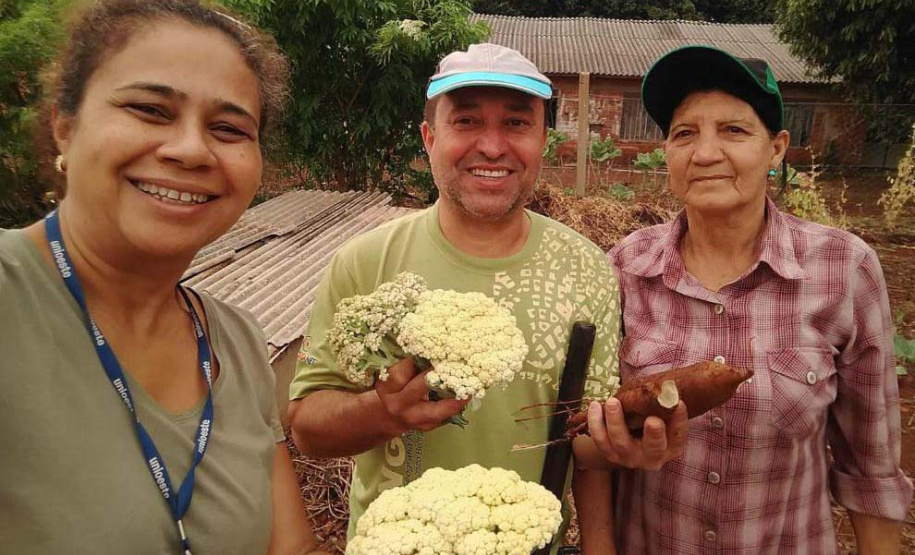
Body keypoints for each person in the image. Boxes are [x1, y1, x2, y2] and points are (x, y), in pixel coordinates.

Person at [287, 43, 687, 553]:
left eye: (517, 124)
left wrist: (621, 444)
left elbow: (584, 443)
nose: (493, 147)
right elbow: (306, 429)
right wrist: (384, 411)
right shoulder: (367, 263)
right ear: (429, 138)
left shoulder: (586, 268)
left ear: (544, 139)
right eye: (467, 121)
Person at [0, 1, 328, 554]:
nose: (190, 149)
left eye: (228, 128)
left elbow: (290, 548)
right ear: (65, 125)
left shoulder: (237, 343)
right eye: (150, 110)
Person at [583, 45, 913, 554]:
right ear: (667, 153)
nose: (706, 153)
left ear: (776, 148)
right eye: (684, 133)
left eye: (734, 131)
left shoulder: (843, 268)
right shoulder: (624, 267)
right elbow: (591, 444)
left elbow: (870, 470)